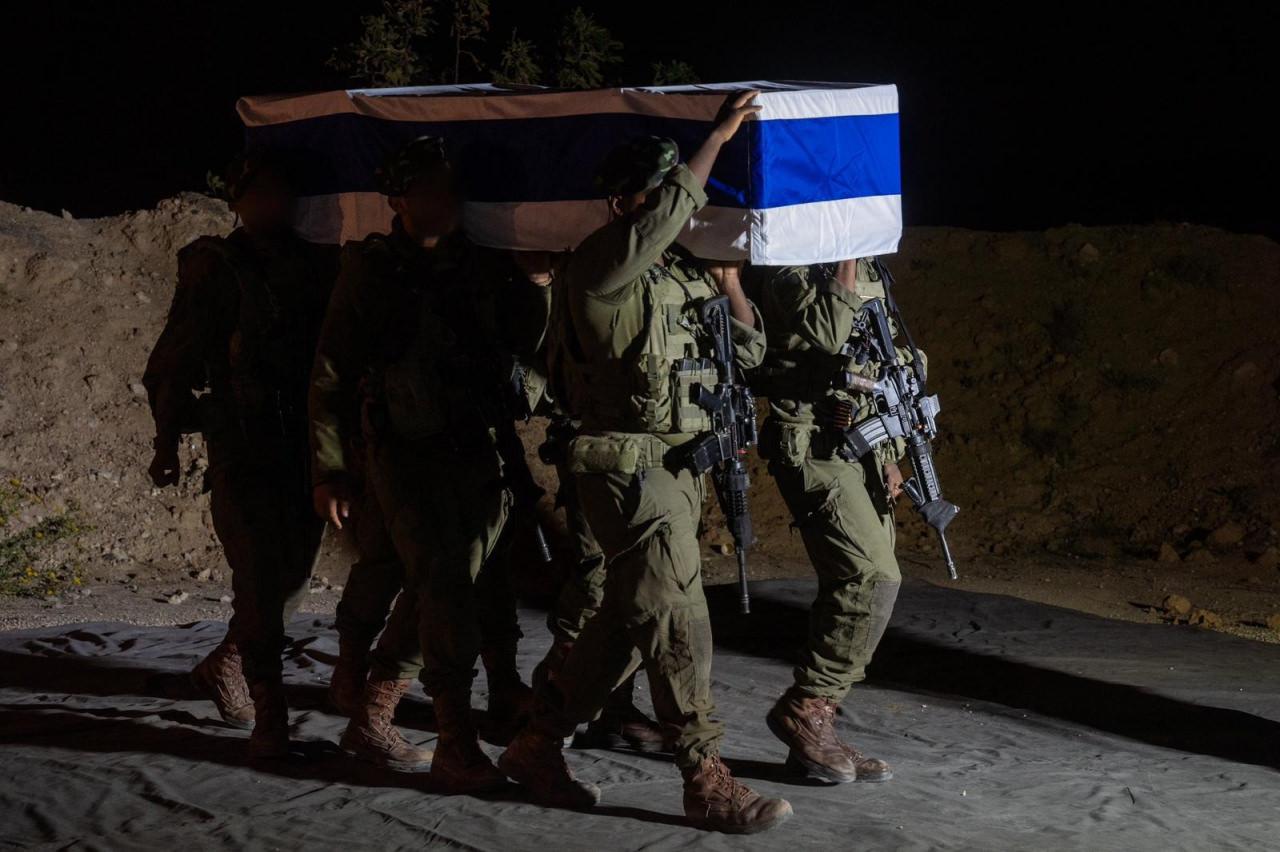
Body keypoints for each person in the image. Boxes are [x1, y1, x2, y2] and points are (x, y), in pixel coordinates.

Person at [499, 93, 794, 835]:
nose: (673, 206)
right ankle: (705, 775)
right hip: (626, 470)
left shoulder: (680, 275)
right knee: (675, 615)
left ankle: (538, 745)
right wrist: (718, 137)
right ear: (623, 202)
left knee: (626, 625)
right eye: (656, 192)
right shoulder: (599, 268)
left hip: (682, 469)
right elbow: (672, 208)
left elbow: (748, 351)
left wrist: (730, 285)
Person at [308, 136, 540, 792]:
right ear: (399, 201)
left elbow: (522, 341)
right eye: (431, 189)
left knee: (463, 583)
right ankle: (453, 740)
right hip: (406, 454)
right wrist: (329, 470)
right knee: (443, 588)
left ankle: (378, 714)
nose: (447, 200)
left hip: (477, 446)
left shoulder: (480, 262)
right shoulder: (374, 269)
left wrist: (537, 284)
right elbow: (330, 372)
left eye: (450, 187)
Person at [143, 150, 335, 758]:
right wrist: (167, 440)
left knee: (294, 578)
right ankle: (270, 717)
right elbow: (174, 358)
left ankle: (228, 664)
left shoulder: (317, 264)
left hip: (302, 443)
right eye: (261, 193)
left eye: (282, 193)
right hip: (244, 443)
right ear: (238, 201)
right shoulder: (217, 267)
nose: (273, 204)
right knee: (257, 579)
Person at [746, 258, 921, 784]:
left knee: (851, 586)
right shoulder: (790, 262)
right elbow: (828, 333)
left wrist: (890, 449)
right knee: (871, 576)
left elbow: (882, 357)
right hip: (812, 442)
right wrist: (844, 257)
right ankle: (807, 707)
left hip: (860, 440)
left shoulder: (870, 267)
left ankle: (814, 729)